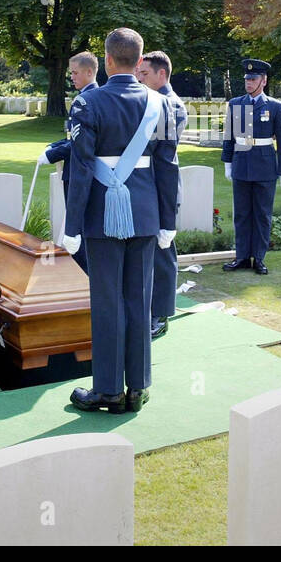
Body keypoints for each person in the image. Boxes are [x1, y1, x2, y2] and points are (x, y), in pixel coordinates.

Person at [64, 28, 180, 414]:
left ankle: (109, 389)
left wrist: (71, 226)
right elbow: (168, 166)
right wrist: (168, 221)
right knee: (139, 300)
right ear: (140, 60)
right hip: (145, 213)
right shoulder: (160, 103)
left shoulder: (87, 102)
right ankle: (138, 388)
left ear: (108, 60)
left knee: (107, 301)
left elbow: (81, 168)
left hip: (101, 215)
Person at [135, 50, 188, 338]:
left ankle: (161, 314)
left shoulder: (172, 105)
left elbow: (159, 151)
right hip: (147, 187)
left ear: (162, 74)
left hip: (160, 187)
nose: (139, 79)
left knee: (163, 254)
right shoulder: (150, 101)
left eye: (144, 74)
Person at [221, 58, 281, 274]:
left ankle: (259, 258)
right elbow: (229, 136)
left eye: (253, 79)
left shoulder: (275, 106)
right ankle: (242, 257)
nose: (248, 83)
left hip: (264, 166)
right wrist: (228, 162)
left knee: (262, 214)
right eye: (247, 79)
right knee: (242, 214)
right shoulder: (236, 104)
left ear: (264, 81)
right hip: (241, 164)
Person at [40, 51, 100, 272]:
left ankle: (84, 276)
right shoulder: (86, 96)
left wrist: (53, 155)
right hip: (75, 167)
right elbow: (73, 137)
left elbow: (82, 142)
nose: (71, 77)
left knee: (79, 228)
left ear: (89, 72)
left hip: (79, 171)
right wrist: (54, 146)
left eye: (75, 73)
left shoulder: (89, 99)